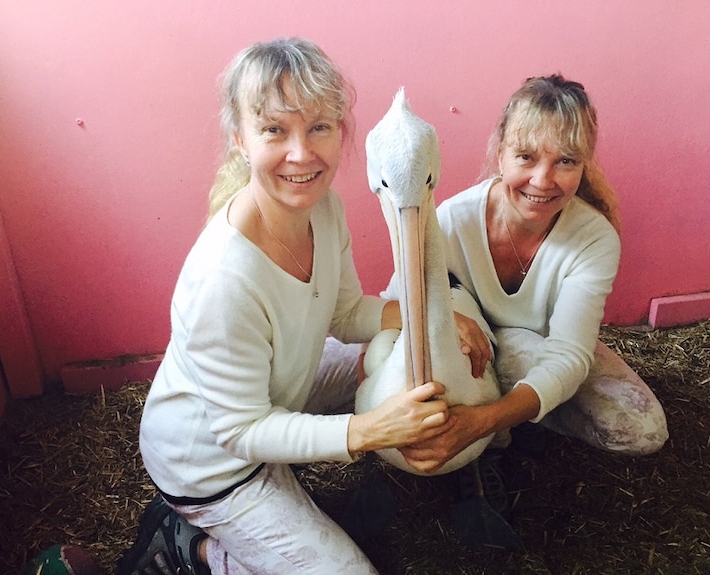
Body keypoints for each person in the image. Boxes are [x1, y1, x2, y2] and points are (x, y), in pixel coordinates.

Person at [116, 38, 473, 575]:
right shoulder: (222, 280)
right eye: (275, 130)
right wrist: (373, 429)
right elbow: (242, 431)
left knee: (380, 361)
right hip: (216, 465)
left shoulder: (323, 207)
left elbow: (346, 313)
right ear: (240, 138)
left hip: (280, 393)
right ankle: (191, 548)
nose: (302, 155)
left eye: (319, 128)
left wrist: (435, 314)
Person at [393, 74, 669, 476]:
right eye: (526, 157)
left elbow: (569, 353)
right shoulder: (451, 220)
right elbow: (395, 299)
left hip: (541, 346)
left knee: (642, 430)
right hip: (467, 353)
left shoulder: (594, 239)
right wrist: (451, 319)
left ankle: (508, 418)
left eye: (566, 162)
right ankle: (515, 418)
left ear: (583, 166)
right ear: (501, 153)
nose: (542, 181)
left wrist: (482, 422)